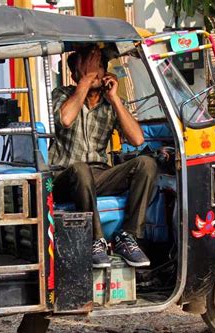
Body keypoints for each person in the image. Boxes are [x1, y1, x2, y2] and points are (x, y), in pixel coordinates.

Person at [50, 46, 157, 268]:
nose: (95, 72)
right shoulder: (62, 94)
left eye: (98, 66)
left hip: (98, 175)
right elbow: (66, 119)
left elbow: (137, 139)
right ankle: (95, 240)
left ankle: (127, 236)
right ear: (75, 76)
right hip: (64, 176)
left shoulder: (110, 104)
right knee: (80, 169)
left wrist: (115, 98)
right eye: (88, 67)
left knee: (146, 164)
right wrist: (85, 82)